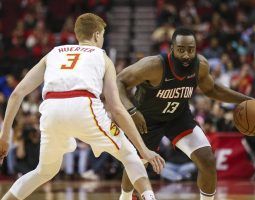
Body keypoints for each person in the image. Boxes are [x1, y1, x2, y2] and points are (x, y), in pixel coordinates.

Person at [0, 13, 165, 200]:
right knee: (129, 154)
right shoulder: (101, 56)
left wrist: (5, 137)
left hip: (51, 110)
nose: (102, 39)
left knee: (44, 171)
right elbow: (116, 108)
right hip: (83, 106)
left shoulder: (54, 53)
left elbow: (16, 94)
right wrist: (144, 150)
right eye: (102, 35)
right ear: (96, 35)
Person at [117, 27, 254, 200]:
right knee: (136, 164)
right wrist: (131, 110)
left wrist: (245, 100)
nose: (186, 55)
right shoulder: (154, 66)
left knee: (207, 160)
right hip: (146, 119)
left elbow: (212, 89)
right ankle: (125, 196)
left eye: (191, 49)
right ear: (172, 48)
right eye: (181, 49)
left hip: (177, 116)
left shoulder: (200, 65)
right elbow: (119, 81)